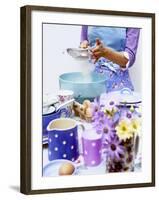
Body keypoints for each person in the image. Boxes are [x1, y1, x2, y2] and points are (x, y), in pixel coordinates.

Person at [80, 26, 140, 92]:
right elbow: (84, 40)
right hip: (91, 80)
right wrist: (84, 45)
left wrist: (106, 53)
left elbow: (129, 59)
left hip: (118, 83)